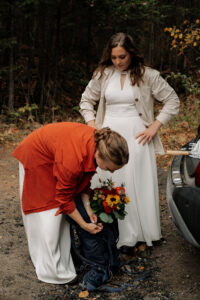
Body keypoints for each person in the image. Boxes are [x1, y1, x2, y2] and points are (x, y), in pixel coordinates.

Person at [79, 32, 180, 249]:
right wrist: (91, 123)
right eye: (114, 57)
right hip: (107, 134)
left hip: (137, 136)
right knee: (107, 179)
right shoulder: (103, 74)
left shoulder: (148, 75)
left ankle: (140, 234)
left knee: (136, 183)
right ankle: (108, 231)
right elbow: (86, 100)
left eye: (122, 57)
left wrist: (155, 125)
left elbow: (172, 100)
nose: (118, 62)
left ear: (131, 54)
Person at [13, 122, 129, 284]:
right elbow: (65, 200)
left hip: (58, 155)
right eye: (110, 169)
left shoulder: (100, 142)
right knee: (48, 214)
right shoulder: (73, 160)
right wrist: (83, 224)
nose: (112, 172)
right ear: (99, 156)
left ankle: (66, 258)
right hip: (36, 157)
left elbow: (83, 181)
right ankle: (52, 271)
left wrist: (88, 209)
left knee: (61, 214)